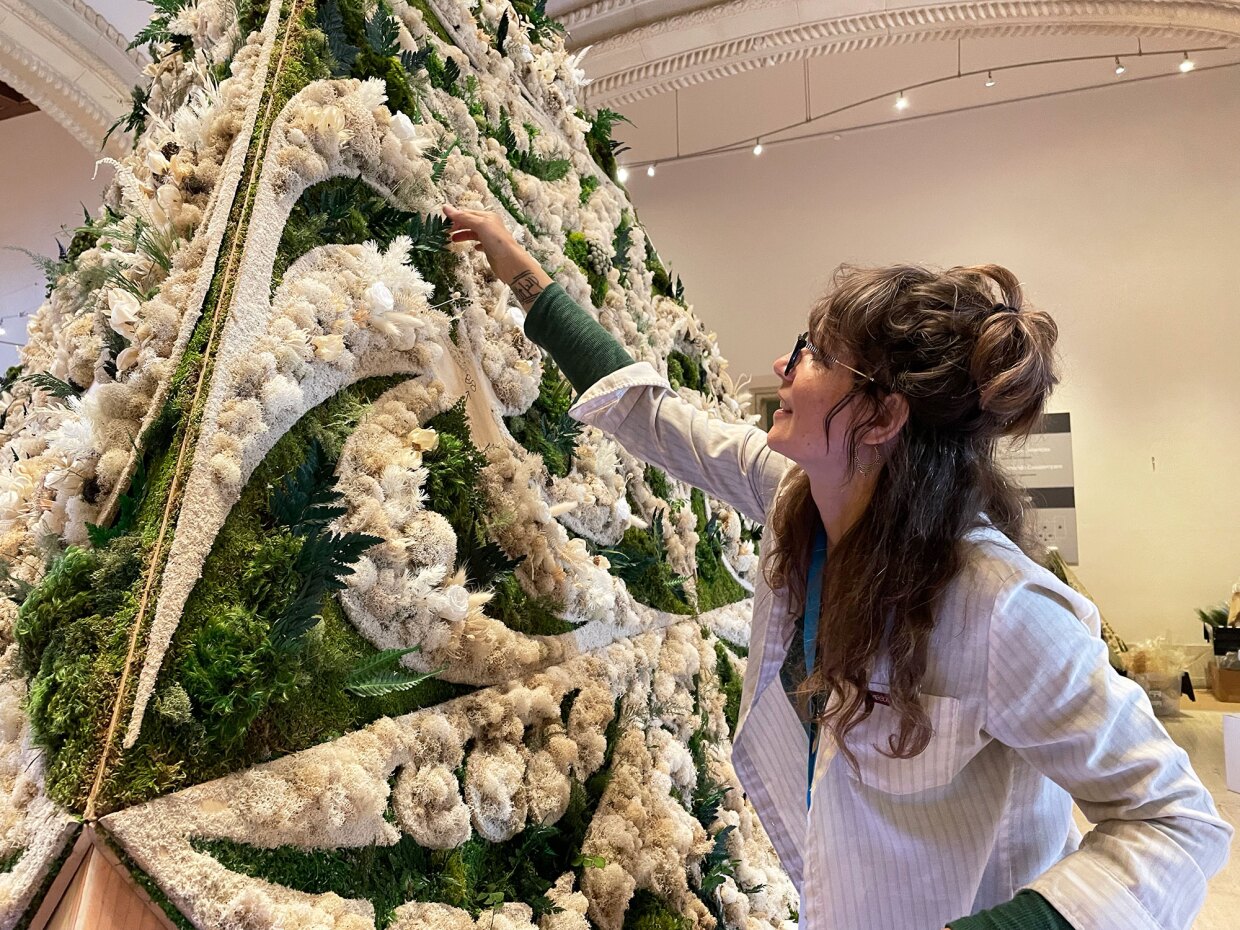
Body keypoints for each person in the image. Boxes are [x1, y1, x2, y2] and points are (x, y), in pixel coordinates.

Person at [442, 204, 1232, 930]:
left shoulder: (1002, 608)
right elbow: (652, 415)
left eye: (814, 355)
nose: (783, 367)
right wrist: (519, 267)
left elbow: (1177, 823)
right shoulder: (800, 499)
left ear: (885, 417)